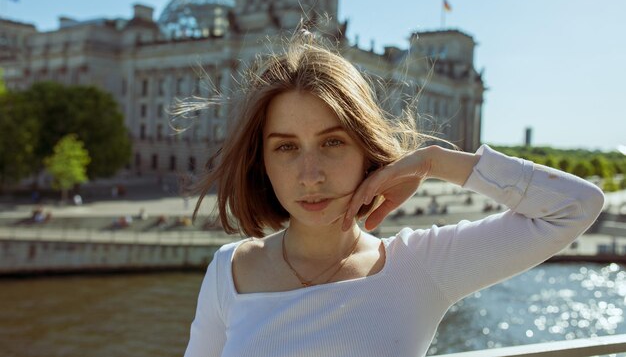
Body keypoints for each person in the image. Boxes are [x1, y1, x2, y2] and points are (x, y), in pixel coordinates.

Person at [182, 31, 604, 357]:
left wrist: (436, 162)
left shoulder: (421, 268)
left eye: (333, 142)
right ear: (263, 164)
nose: (310, 176)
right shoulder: (228, 271)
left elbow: (575, 206)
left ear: (367, 150)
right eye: (286, 147)